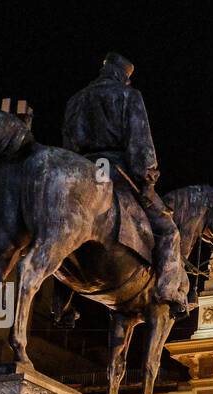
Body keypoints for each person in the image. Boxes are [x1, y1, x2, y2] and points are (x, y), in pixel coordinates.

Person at [62, 52, 188, 317]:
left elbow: (69, 142)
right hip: (116, 173)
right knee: (169, 231)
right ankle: (167, 291)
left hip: (82, 171)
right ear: (124, 77)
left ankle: (63, 302)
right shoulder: (128, 96)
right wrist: (147, 178)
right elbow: (140, 142)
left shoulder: (77, 98)